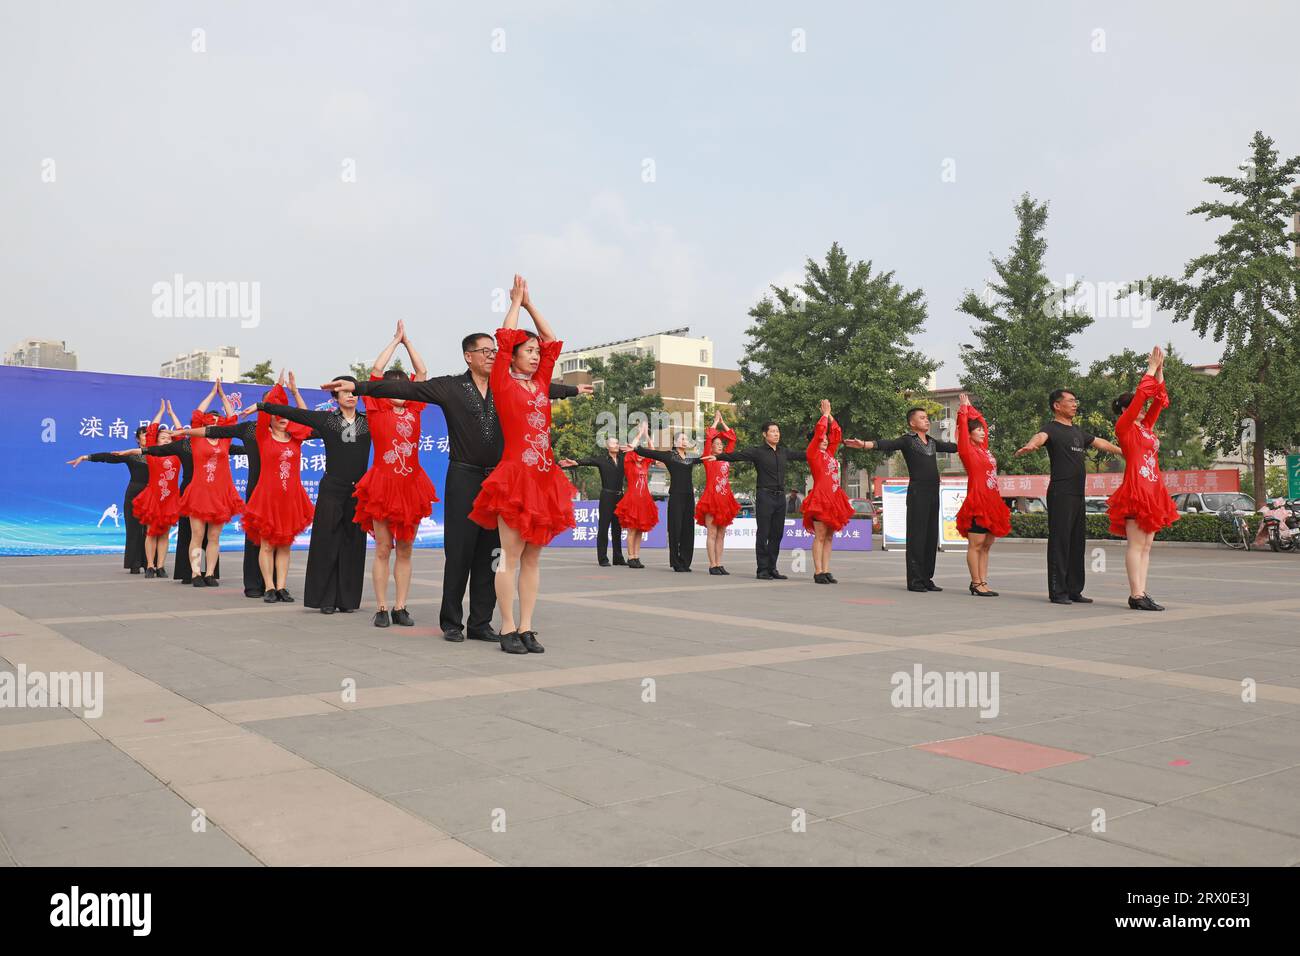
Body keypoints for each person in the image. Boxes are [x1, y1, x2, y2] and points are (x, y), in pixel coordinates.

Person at [321, 342, 585, 644]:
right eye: (485, 351)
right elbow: (411, 390)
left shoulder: (505, 385)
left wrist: (573, 391)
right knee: (459, 551)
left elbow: (544, 389)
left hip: (499, 479)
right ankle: (451, 621)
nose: (491, 356)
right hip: (464, 475)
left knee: (493, 553)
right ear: (468, 356)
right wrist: (359, 385)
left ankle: (481, 622)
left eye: (494, 351)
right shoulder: (451, 387)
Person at [465, 275, 576, 654]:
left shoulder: (541, 384)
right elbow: (505, 334)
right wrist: (514, 304)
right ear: (510, 356)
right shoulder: (502, 381)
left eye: (534, 351)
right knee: (509, 557)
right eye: (526, 350)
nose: (534, 354)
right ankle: (508, 627)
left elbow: (552, 343)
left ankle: (528, 627)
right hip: (515, 477)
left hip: (544, 478)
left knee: (532, 559)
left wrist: (531, 304)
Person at [169, 374, 310, 598]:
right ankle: (253, 584)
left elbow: (305, 419)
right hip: (256, 488)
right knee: (247, 541)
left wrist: (293, 392)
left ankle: (217, 574)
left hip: (269, 493)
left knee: (277, 542)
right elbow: (215, 428)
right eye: (274, 407)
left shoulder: (293, 434)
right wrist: (185, 431)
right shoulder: (253, 430)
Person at [258, 376, 372, 614]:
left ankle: (348, 600)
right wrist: (265, 405)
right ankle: (325, 599)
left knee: (353, 543)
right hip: (332, 488)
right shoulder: (328, 420)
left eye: (353, 392)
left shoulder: (368, 421)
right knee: (326, 542)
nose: (350, 396)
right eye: (344, 392)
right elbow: (296, 414)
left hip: (359, 490)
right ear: (335, 397)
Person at [352, 322, 439, 628]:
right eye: (393, 388)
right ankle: (381, 606)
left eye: (405, 388)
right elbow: (375, 371)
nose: (400, 393)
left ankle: (401, 606)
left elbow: (423, 373)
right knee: (382, 548)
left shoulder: (414, 409)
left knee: (405, 548)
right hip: (383, 485)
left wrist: (409, 343)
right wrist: (394, 341)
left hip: (411, 486)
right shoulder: (376, 408)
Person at [1015, 388, 1123, 604]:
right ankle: (1058, 591)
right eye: (1070, 401)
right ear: (1057, 405)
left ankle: (1074, 589)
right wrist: (1031, 445)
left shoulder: (1077, 432)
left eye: (1075, 401)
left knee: (1076, 542)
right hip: (1060, 492)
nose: (1075, 404)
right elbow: (1040, 437)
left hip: (1077, 494)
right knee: (1060, 541)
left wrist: (1123, 450)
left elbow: (1100, 442)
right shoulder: (1051, 429)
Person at [845, 408, 957, 592]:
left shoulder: (932, 442)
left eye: (927, 418)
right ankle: (915, 580)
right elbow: (887, 444)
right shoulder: (908, 440)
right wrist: (865, 444)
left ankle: (927, 578)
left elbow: (952, 447)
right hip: (917, 492)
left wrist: (972, 441)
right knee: (917, 536)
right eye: (922, 418)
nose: (927, 421)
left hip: (933, 492)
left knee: (930, 535)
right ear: (912, 423)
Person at [1106, 347, 1178, 611]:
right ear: (1125, 410)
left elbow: (1159, 401)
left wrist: (1159, 373)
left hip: (1153, 489)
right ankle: (1136, 595)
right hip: (1136, 488)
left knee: (1147, 545)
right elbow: (1141, 397)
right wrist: (1148, 371)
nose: (1142, 408)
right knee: (1137, 544)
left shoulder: (1145, 427)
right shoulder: (1123, 428)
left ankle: (1142, 592)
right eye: (1136, 406)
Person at [706, 422, 807, 580]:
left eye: (777, 431)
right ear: (765, 435)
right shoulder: (758, 452)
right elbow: (737, 455)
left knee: (776, 534)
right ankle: (762, 570)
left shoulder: (783, 452)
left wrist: (821, 451)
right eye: (772, 431)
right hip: (765, 496)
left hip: (780, 498)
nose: (776, 434)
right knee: (763, 533)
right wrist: (718, 456)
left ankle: (772, 568)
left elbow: (804, 455)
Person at [171, 381, 244, 586]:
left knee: (214, 535)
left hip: (220, 493)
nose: (213, 423)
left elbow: (232, 419)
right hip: (200, 492)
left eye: (216, 421)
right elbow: (196, 414)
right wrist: (212, 392)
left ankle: (210, 573)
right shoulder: (196, 439)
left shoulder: (225, 440)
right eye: (209, 421)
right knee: (197, 534)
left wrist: (223, 396)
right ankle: (195, 573)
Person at [68, 424, 153, 574]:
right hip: (134, 494)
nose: (147, 437)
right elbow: (108, 457)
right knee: (133, 529)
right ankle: (134, 564)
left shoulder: (157, 454)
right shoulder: (131, 454)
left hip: (152, 494)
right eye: (144, 434)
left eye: (149, 434)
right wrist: (85, 457)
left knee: (150, 531)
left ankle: (150, 564)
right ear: (137, 439)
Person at [954, 394, 1011, 596]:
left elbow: (984, 424)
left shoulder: (984, 450)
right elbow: (962, 430)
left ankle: (984, 581)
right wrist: (962, 410)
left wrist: (972, 408)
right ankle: (975, 582)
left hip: (992, 501)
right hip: (977, 501)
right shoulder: (967, 450)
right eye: (977, 430)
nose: (982, 432)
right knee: (976, 544)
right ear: (968, 435)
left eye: (981, 430)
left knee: (986, 545)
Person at [123, 400, 182, 577]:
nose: (167, 440)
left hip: (170, 498)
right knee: (151, 532)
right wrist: (161, 412)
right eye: (163, 438)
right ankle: (150, 565)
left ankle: (161, 565)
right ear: (156, 441)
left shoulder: (178, 454)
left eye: (169, 438)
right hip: (154, 497)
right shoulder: (152, 453)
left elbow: (181, 434)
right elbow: (150, 431)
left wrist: (172, 415)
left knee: (164, 534)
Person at [801, 400, 855, 584]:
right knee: (820, 535)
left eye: (825, 439)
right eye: (821, 439)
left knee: (830, 536)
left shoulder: (830, 453)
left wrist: (830, 415)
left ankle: (826, 569)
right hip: (820, 498)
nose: (825, 441)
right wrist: (824, 415)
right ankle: (818, 571)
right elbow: (819, 433)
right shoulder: (812, 453)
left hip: (834, 499)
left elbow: (837, 434)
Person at [635, 430, 703, 572]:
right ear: (676, 442)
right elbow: (645, 452)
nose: (686, 441)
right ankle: (676, 562)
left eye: (687, 439)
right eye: (683, 439)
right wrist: (639, 439)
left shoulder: (690, 457)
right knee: (675, 528)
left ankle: (685, 561)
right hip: (676, 496)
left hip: (689, 496)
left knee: (688, 529)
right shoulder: (669, 455)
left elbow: (707, 457)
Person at [564, 437, 627, 567]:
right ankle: (603, 558)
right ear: (607, 446)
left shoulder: (623, 459)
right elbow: (589, 461)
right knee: (604, 527)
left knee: (617, 528)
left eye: (617, 443)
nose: (617, 445)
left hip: (620, 496)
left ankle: (618, 557)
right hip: (607, 496)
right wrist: (576, 462)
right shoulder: (602, 460)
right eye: (614, 443)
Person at [694, 409, 739, 575]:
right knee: (712, 533)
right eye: (717, 444)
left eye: (721, 444)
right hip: (711, 499)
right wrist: (715, 422)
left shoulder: (726, 457)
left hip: (725, 499)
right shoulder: (708, 458)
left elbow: (732, 439)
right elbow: (708, 437)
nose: (720, 446)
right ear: (711, 448)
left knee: (721, 534)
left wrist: (723, 423)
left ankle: (719, 563)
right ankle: (712, 564)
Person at [613, 423, 658, 569]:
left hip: (644, 499)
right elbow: (631, 448)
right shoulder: (629, 463)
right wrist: (639, 434)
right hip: (632, 499)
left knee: (640, 530)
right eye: (637, 452)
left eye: (641, 452)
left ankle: (637, 556)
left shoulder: (645, 463)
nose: (639, 455)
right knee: (632, 529)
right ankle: (630, 556)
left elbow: (653, 452)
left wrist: (646, 435)